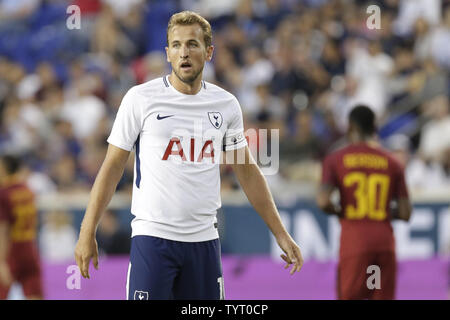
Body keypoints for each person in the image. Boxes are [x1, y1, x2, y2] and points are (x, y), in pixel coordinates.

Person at [75, 11, 303, 300]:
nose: (184, 52)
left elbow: (247, 171)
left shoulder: (226, 105)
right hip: (152, 239)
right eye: (177, 45)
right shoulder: (140, 99)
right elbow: (112, 167)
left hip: (204, 243)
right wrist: (87, 231)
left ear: (208, 52)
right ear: (168, 53)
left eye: (192, 44)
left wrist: (281, 233)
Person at [316, 105, 412, 300]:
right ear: (374, 128)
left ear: (351, 127)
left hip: (355, 242)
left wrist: (342, 210)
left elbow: (324, 202)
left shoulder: (336, 159)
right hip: (384, 243)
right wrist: (381, 210)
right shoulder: (392, 162)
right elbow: (405, 212)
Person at [0, 155, 43, 300]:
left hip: (12, 249)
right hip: (30, 246)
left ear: (4, 169)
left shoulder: (4, 193)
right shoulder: (27, 190)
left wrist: (1, 261)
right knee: (34, 293)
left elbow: (3, 229)